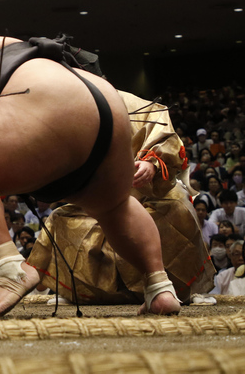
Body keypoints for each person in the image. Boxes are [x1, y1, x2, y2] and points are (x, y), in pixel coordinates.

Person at [0, 6, 181, 319]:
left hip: (46, 98)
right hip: (104, 99)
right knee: (114, 206)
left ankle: (8, 269)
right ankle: (159, 287)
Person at [30, 91, 214, 305]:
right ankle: (79, 292)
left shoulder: (140, 107)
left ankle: (180, 290)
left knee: (179, 208)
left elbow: (167, 139)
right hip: (94, 199)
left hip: (150, 196)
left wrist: (151, 163)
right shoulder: (67, 110)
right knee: (61, 218)